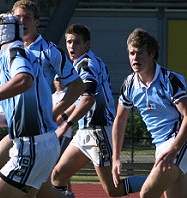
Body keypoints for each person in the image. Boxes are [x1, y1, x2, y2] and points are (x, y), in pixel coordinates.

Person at [0, 0, 83, 187]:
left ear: (37, 22)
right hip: (18, 123)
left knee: (19, 179)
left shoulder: (48, 51)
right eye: (17, 18)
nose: (22, 22)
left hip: (37, 127)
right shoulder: (10, 50)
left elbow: (77, 86)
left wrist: (57, 112)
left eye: (27, 18)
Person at [50, 24, 147, 197]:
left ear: (87, 45)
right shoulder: (82, 64)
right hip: (84, 132)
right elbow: (81, 99)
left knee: (113, 190)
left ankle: (160, 179)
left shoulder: (86, 65)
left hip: (98, 132)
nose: (72, 46)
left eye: (77, 42)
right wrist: (62, 116)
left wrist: (66, 124)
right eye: (69, 42)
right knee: (58, 176)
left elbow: (89, 98)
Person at [112, 28, 187, 198]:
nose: (135, 58)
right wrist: (116, 157)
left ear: (152, 54)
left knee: (147, 193)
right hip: (161, 146)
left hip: (178, 142)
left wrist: (174, 149)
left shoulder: (170, 80)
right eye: (131, 53)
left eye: (139, 53)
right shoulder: (129, 84)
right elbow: (120, 119)